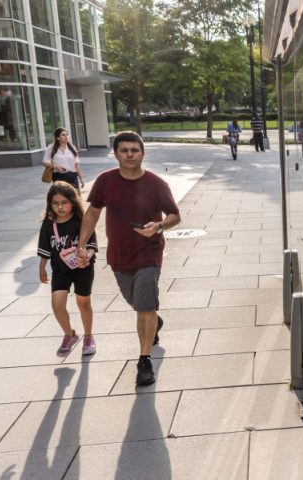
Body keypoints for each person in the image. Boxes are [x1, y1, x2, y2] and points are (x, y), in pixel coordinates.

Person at [78, 131, 181, 386]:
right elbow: (92, 212)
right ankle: (154, 321)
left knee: (145, 306)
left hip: (149, 253)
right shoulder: (105, 181)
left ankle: (144, 360)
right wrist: (81, 244)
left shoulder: (156, 184)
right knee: (137, 303)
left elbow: (174, 215)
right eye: (124, 150)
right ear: (115, 153)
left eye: (134, 150)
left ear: (142, 153)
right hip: (119, 255)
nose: (130, 154)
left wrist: (158, 226)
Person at [37, 181, 98, 357]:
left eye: (64, 202)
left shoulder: (82, 220)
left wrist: (87, 255)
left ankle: (88, 336)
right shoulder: (49, 224)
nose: (60, 207)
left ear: (73, 202)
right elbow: (44, 248)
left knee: (83, 303)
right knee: (57, 304)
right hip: (60, 270)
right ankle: (69, 334)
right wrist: (42, 268)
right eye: (55, 203)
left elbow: (92, 244)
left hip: (83, 269)